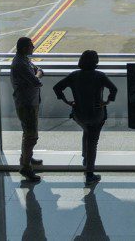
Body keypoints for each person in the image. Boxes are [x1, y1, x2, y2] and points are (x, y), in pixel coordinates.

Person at [53, 50, 117, 185]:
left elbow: (57, 87)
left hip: (79, 114)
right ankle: (89, 173)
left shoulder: (74, 76)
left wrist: (67, 101)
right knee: (93, 141)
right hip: (96, 114)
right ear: (96, 62)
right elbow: (113, 89)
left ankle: (85, 158)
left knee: (86, 132)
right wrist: (107, 102)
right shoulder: (100, 76)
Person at [11, 36, 44, 182]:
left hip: (29, 102)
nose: (33, 47)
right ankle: (25, 167)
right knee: (31, 135)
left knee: (28, 133)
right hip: (27, 104)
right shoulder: (21, 64)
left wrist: (36, 70)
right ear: (24, 48)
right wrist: (39, 73)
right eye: (31, 45)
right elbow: (36, 81)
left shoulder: (23, 59)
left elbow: (33, 69)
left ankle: (26, 158)